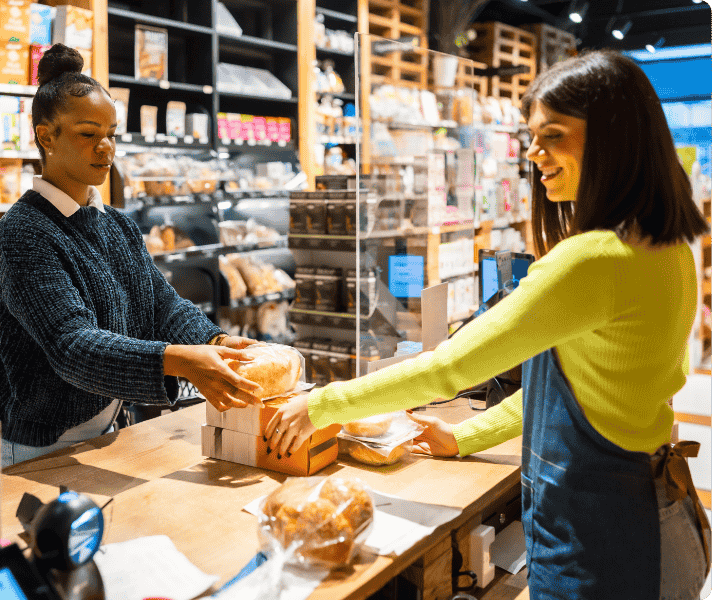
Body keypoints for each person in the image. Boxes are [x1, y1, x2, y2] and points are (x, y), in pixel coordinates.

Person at [265, 50, 711, 598]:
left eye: (552, 135)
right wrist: (463, 437)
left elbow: (449, 368)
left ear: (613, 138)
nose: (533, 153)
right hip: (654, 518)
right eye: (531, 135)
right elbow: (574, 394)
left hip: (609, 544)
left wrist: (318, 404)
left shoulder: (594, 261)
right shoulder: (662, 246)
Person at [0, 44, 263, 467]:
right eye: (88, 134)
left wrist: (217, 342)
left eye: (111, 134)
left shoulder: (116, 224)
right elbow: (71, 346)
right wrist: (178, 362)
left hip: (109, 430)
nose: (106, 148)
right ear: (46, 136)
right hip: (36, 449)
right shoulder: (24, 232)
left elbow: (161, 305)